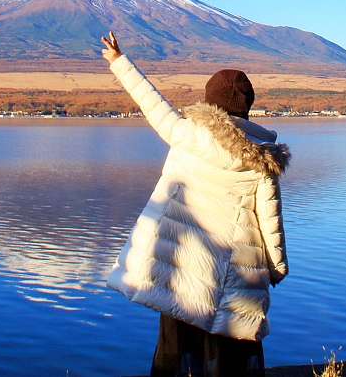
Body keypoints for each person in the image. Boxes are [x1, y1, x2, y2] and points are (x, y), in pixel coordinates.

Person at [100, 31, 290, 377]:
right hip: (234, 276)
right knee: (230, 357)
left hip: (182, 270)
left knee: (177, 352)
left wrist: (119, 61)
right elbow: (270, 224)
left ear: (209, 104)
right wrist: (276, 269)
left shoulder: (186, 134)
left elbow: (151, 102)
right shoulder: (263, 162)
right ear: (246, 106)